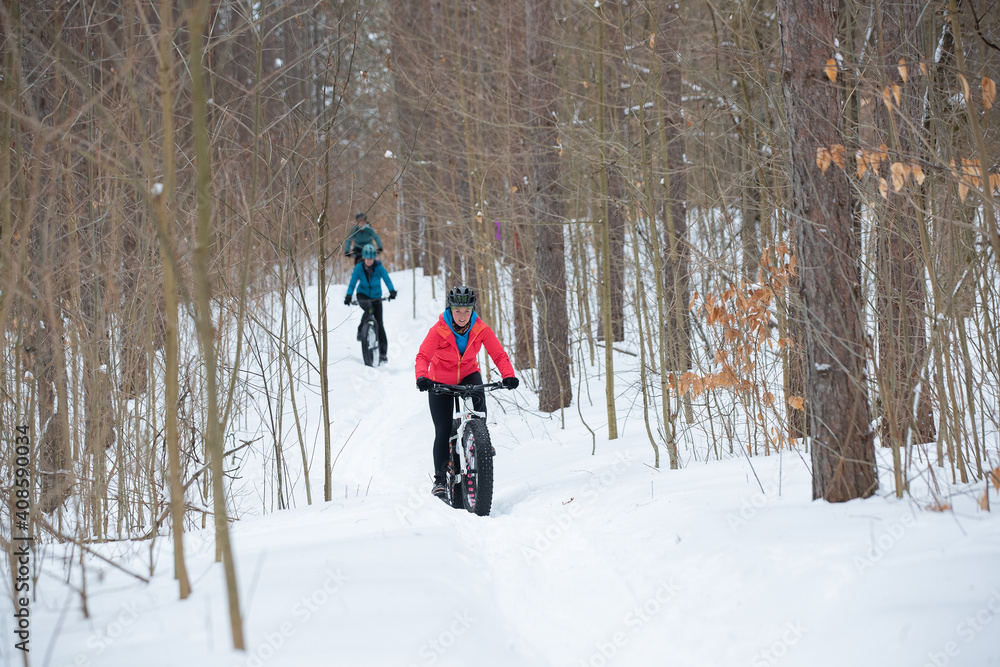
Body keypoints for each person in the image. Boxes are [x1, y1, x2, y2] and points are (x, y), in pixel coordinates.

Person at [414, 285, 519, 499]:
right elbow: (423, 356)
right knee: (442, 430)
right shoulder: (438, 330)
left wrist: (508, 375)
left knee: (478, 408)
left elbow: (498, 354)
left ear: (472, 310)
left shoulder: (481, 329)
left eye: (467, 311)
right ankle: (440, 480)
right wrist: (422, 378)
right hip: (439, 381)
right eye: (458, 311)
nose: (462, 315)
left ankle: (482, 439)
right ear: (450, 309)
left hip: (468, 374)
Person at [344, 244, 397, 365]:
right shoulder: (358, 268)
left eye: (371, 259)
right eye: (367, 259)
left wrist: (392, 291)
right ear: (364, 258)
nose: (369, 261)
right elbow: (352, 283)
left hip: (376, 296)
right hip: (362, 295)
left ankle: (383, 354)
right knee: (368, 309)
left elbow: (386, 279)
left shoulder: (379, 267)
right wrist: (348, 295)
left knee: (380, 323)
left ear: (374, 259)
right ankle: (360, 330)